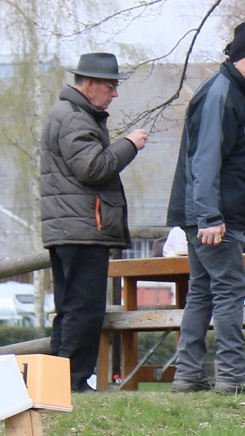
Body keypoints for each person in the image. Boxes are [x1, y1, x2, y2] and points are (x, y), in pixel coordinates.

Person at [166, 22, 245, 394]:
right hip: (214, 218)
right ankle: (232, 375)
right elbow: (206, 159)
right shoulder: (222, 93)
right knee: (229, 288)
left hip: (210, 215)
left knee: (203, 290)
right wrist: (210, 217)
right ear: (237, 58)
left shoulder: (233, 93)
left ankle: (189, 374)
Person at [39, 53, 148, 393]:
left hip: (71, 227)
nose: (114, 93)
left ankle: (57, 384)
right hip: (83, 228)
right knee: (84, 310)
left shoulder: (71, 114)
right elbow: (93, 168)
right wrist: (129, 145)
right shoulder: (74, 118)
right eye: (110, 86)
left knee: (70, 308)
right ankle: (72, 382)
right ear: (89, 84)